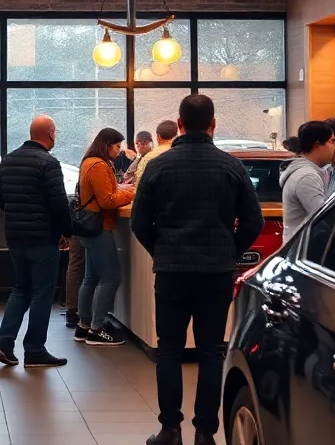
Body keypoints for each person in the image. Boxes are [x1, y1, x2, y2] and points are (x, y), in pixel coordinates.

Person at [131, 94, 264, 445]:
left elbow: (140, 221)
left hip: (172, 272)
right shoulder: (231, 166)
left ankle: (170, 429)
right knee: (211, 350)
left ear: (178, 124)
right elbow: (253, 220)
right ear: (214, 123)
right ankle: (205, 431)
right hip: (216, 273)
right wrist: (230, 251)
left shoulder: (158, 165)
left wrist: (160, 249)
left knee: (170, 349)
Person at [0, 115, 73, 368]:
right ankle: (35, 349)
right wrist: (66, 232)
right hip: (42, 237)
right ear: (50, 134)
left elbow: (1, 199)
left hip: (15, 236)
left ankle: (4, 342)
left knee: (21, 288)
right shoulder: (48, 163)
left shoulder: (8, 160)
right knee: (41, 293)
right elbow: (59, 203)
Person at [75, 127, 136, 346]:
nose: (119, 151)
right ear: (106, 145)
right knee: (110, 278)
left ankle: (83, 326)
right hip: (99, 226)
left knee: (91, 277)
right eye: (117, 146)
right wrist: (131, 191)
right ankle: (97, 328)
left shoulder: (89, 162)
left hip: (89, 226)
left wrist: (120, 188)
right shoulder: (99, 165)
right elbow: (107, 200)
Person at [279, 121, 335, 243]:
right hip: (301, 249)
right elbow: (324, 216)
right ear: (317, 145)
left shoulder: (309, 172)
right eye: (331, 141)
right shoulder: (306, 177)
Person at [124, 120, 177, 187]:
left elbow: (136, 183)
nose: (138, 146)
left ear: (158, 137)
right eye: (137, 143)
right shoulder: (183, 154)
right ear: (177, 136)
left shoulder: (148, 158)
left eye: (144, 143)